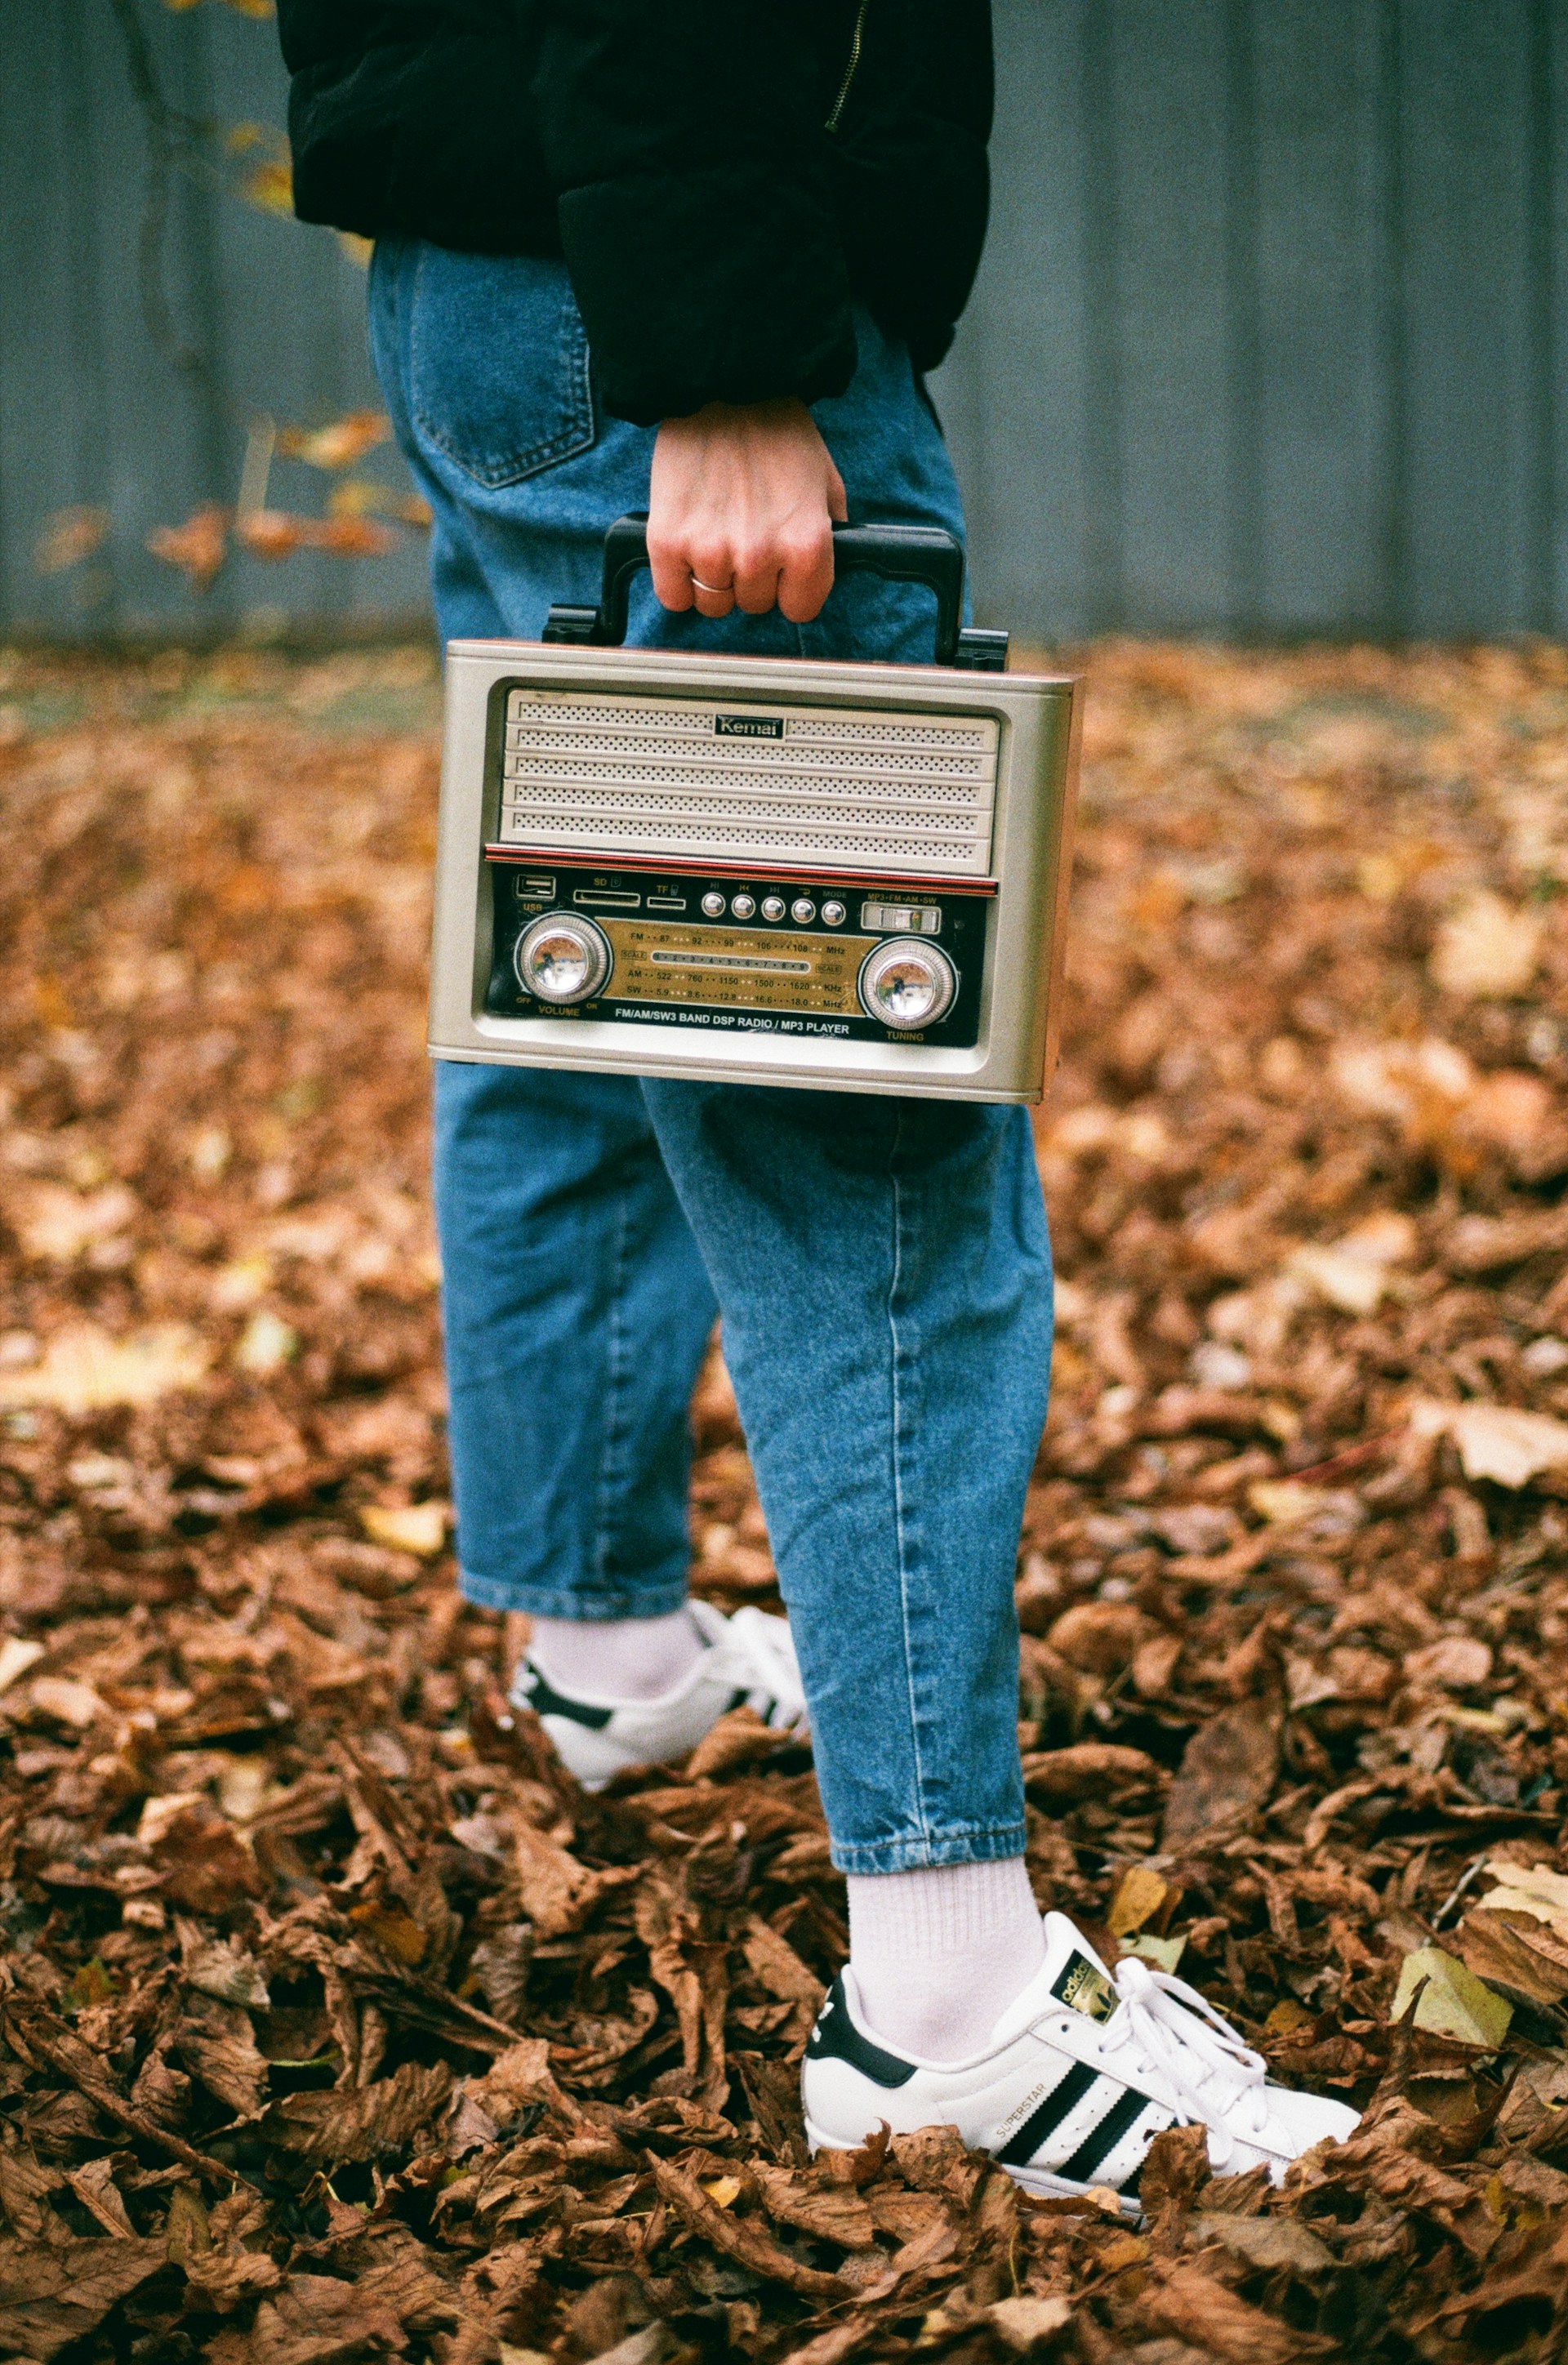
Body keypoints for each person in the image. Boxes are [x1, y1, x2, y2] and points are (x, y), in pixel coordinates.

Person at [277, 0, 1357, 2205]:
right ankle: (946, 2003)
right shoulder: (705, 330)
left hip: (493, 271)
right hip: (670, 306)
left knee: (576, 991)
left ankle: (604, 1654)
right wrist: (727, 346)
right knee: (872, 1133)